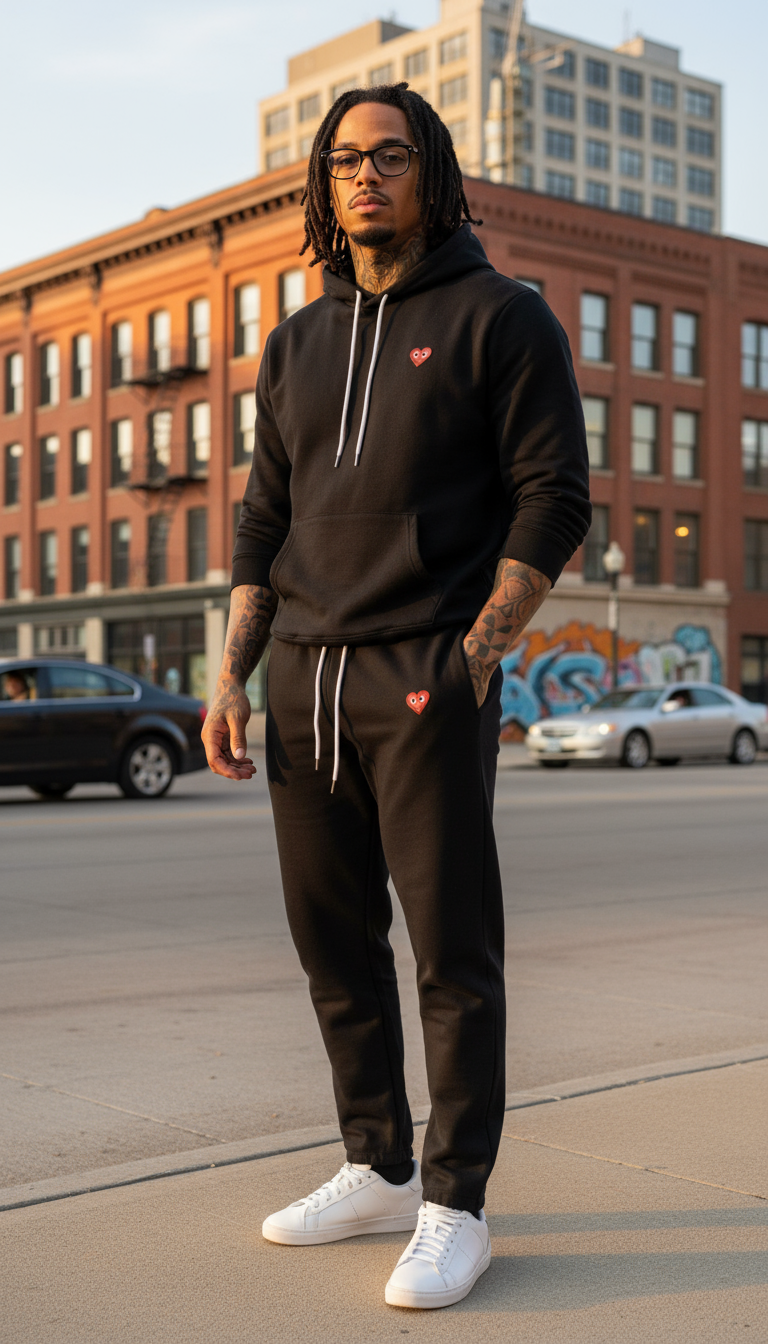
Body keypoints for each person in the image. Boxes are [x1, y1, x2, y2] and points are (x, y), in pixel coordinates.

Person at [203, 82, 590, 1310]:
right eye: (343, 160)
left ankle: (454, 1202)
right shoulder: (296, 342)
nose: (363, 175)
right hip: (301, 683)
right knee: (333, 948)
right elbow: (265, 518)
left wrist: (466, 661)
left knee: (450, 955)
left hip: (422, 675)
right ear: (324, 185)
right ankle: (373, 1162)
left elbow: (554, 497)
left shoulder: (502, 318)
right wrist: (233, 674)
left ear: (432, 170)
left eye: (389, 155)